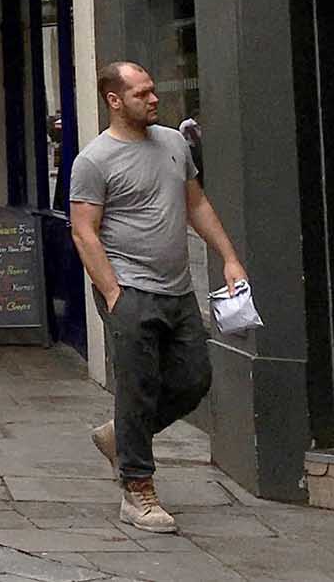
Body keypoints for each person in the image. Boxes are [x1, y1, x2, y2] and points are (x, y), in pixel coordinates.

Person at [71, 63, 246, 535]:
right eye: (142, 93)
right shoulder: (94, 160)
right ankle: (137, 489)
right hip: (130, 290)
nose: (154, 99)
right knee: (138, 386)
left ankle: (119, 436)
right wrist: (113, 293)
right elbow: (84, 231)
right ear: (114, 100)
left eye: (153, 91)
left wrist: (229, 257)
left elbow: (197, 205)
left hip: (178, 290)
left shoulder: (173, 143)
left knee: (194, 379)